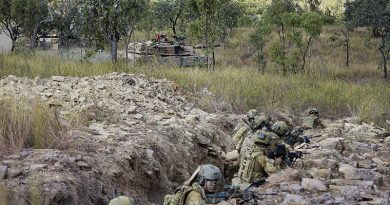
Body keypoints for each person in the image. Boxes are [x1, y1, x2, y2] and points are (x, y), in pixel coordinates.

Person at [164, 164, 233, 205]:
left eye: (215, 181)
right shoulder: (195, 195)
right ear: (202, 180)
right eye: (210, 181)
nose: (214, 184)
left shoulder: (198, 190)